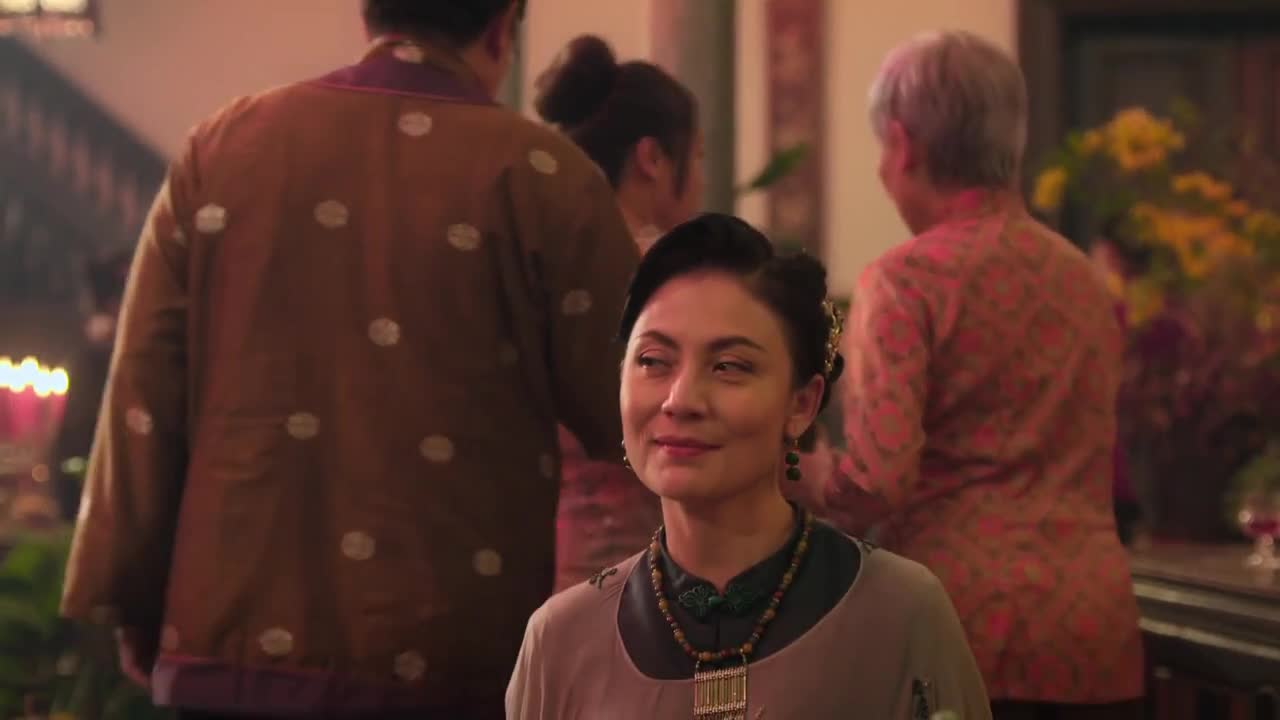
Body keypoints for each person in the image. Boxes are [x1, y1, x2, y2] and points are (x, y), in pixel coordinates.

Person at [59, 2, 639, 718]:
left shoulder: (223, 147)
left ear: (369, 17)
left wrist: (132, 599)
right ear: (500, 31)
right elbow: (629, 404)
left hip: (231, 644)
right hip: (454, 651)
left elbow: (145, 397)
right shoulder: (547, 175)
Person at [506, 213, 991, 719]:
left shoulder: (900, 612)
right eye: (653, 361)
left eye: (729, 366)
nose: (680, 400)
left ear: (801, 404)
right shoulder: (560, 640)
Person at [815, 31, 1144, 719]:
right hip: (1094, 627)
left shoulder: (906, 280)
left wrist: (800, 467)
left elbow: (877, 482)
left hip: (958, 626)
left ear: (902, 144)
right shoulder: (1087, 282)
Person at [533, 34, 703, 590]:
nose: (701, 179)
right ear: (652, 158)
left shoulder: (536, 263)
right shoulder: (674, 274)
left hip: (551, 555)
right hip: (652, 557)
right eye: (697, 157)